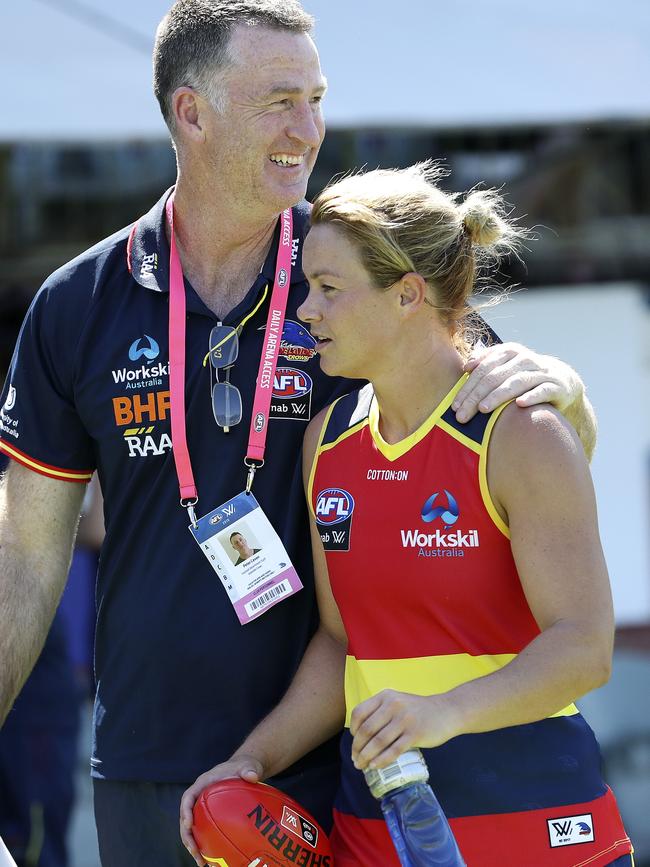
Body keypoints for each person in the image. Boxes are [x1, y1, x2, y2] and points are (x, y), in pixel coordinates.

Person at [0, 2, 595, 864]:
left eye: (316, 98)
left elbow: (514, 432)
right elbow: (24, 558)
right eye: (281, 100)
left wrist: (564, 386)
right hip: (147, 761)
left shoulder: (353, 271)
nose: (309, 129)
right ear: (191, 113)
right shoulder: (77, 304)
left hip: (339, 758)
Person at [180, 163, 631, 866]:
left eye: (328, 289)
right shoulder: (326, 442)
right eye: (307, 288)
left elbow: (584, 646)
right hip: (375, 830)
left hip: (535, 821)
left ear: (407, 295)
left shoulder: (522, 432)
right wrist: (252, 760)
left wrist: (443, 712)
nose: (306, 310)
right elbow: (341, 641)